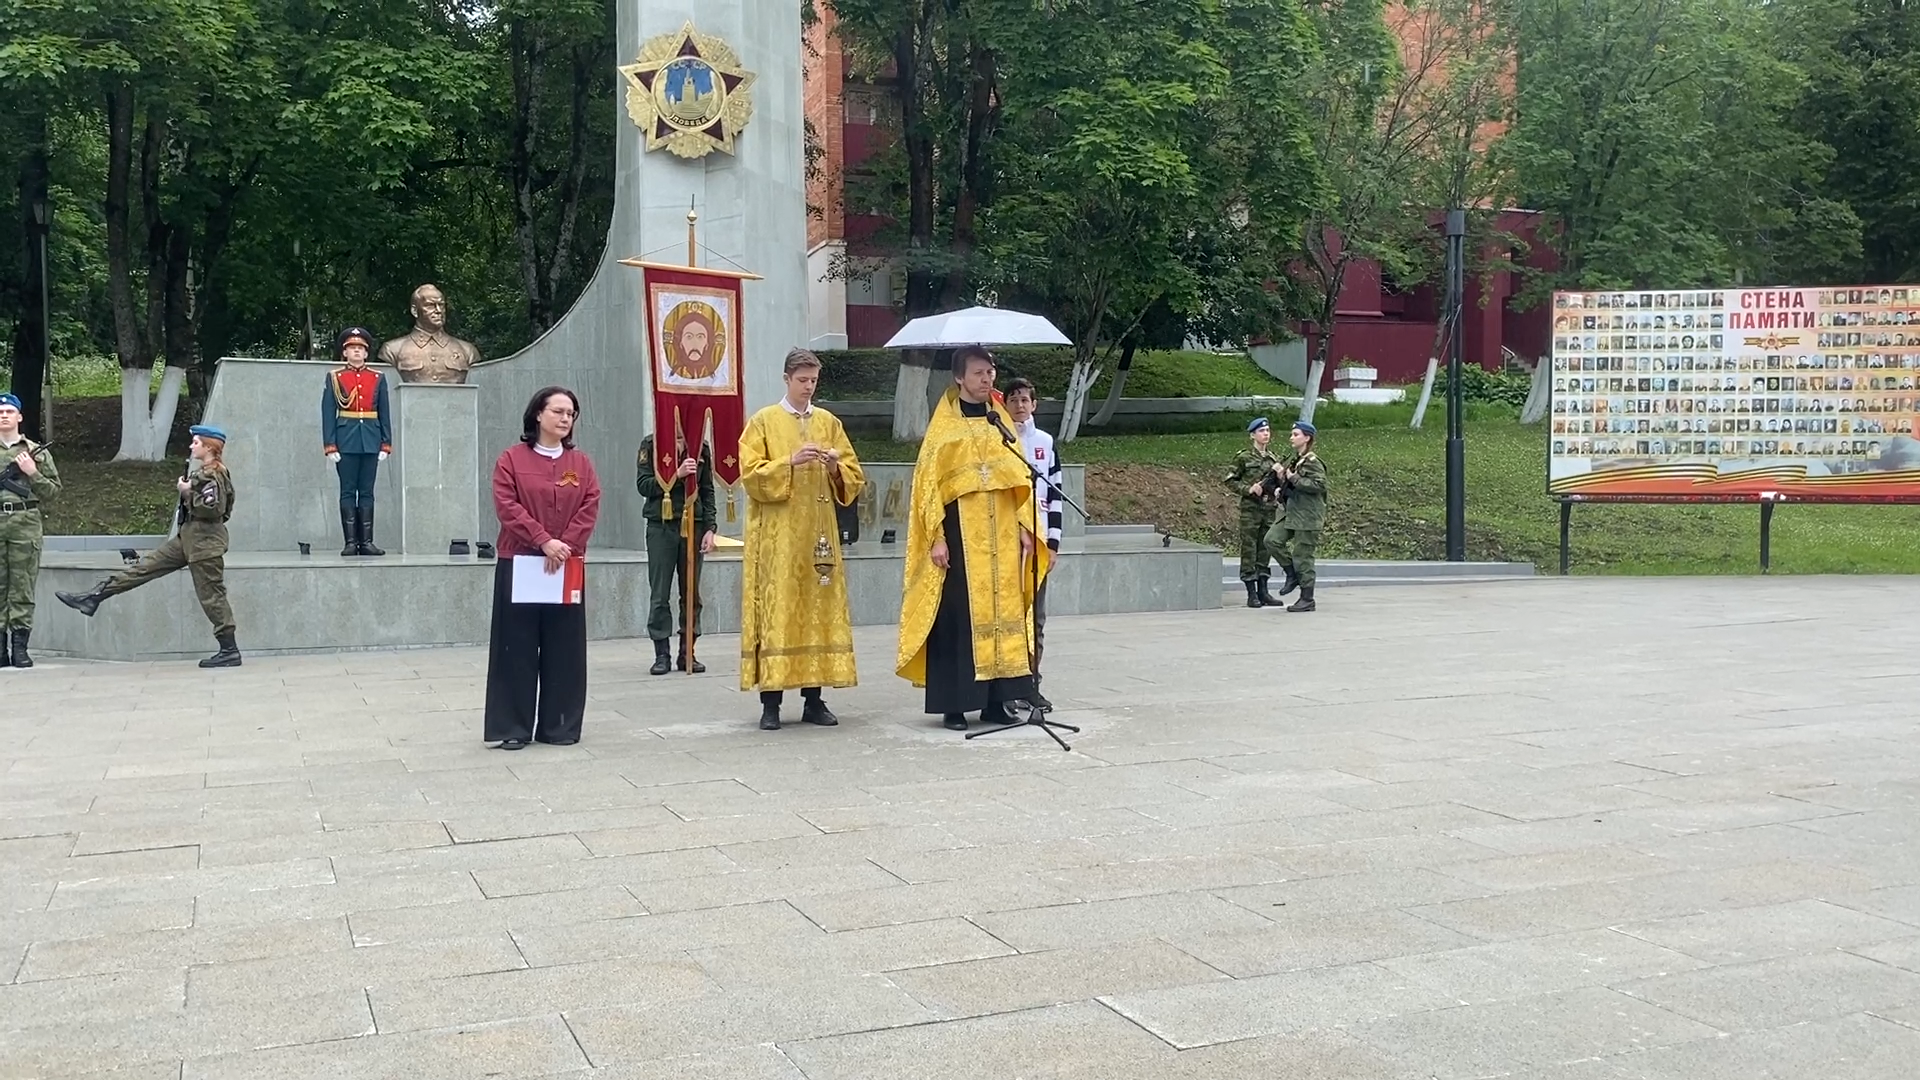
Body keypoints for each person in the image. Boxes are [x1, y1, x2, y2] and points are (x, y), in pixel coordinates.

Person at [897, 347, 1044, 731]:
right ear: (959, 377)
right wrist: (936, 538)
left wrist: (1025, 527)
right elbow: (928, 486)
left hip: (1002, 536)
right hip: (960, 535)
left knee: (1003, 613)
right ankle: (955, 705)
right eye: (979, 373)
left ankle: (997, 701)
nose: (987, 379)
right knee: (958, 617)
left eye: (990, 372)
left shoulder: (1001, 420)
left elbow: (1020, 478)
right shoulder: (944, 426)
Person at [738, 349, 866, 730]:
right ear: (786, 379)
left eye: (813, 380)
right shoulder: (763, 422)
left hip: (819, 535)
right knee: (779, 612)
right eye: (802, 380)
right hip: (779, 538)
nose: (808, 387)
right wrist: (789, 462)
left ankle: (814, 699)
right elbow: (750, 475)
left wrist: (835, 467)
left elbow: (854, 477)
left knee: (817, 611)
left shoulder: (829, 422)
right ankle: (771, 703)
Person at [57, 425, 241, 667]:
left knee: (212, 596)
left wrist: (187, 492)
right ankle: (95, 596)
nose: (191, 446)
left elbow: (213, 509)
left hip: (205, 544)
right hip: (189, 538)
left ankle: (229, 650)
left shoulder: (214, 474)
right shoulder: (204, 472)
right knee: (144, 568)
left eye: (196, 442)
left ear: (209, 447)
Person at [484, 387, 602, 749]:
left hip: (565, 563)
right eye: (558, 411)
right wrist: (543, 540)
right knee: (515, 647)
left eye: (571, 413)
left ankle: (559, 726)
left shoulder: (580, 464)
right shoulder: (511, 459)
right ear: (538, 414)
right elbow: (507, 506)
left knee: (564, 648)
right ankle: (512, 728)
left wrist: (564, 545)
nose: (565, 419)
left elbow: (590, 505)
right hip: (520, 562)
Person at [635, 427, 715, 676]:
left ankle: (687, 652)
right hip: (662, 526)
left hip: (694, 525)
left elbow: (707, 490)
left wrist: (710, 528)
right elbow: (643, 485)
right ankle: (662, 654)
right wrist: (675, 475)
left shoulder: (700, 447)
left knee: (691, 593)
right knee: (660, 594)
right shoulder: (652, 444)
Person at [1004, 377, 1063, 712]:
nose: (1019, 405)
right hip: (1007, 541)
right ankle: (1006, 685)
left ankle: (1031, 684)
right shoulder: (998, 439)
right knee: (1010, 616)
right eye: (1013, 399)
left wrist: (1053, 544)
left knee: (1036, 617)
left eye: (1025, 399)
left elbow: (1055, 495)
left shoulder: (1045, 442)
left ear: (1034, 405)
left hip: (1038, 544)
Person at [321, 326, 392, 556]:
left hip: (371, 440)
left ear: (366, 352)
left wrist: (386, 443)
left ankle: (367, 542)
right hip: (346, 440)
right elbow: (328, 412)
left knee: (367, 492)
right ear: (345, 353)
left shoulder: (377, 378)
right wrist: (330, 444)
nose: (357, 352)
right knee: (348, 491)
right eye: (352, 348)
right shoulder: (336, 377)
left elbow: (384, 412)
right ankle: (351, 542)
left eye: (360, 348)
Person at [0, 393, 59, 667]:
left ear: (19, 416)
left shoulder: (36, 451)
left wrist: (31, 471)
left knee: (22, 587)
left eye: (9, 411)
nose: (4, 416)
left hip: (25, 524)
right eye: (0, 412)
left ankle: (20, 648)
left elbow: (53, 492)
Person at [1264, 420, 1327, 613]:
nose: (1291, 438)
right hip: (1291, 511)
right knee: (1272, 540)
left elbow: (1319, 485)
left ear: (1307, 438)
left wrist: (1294, 478)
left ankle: (1307, 598)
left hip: (1307, 515)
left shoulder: (1313, 462)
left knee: (1303, 556)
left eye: (1296, 434)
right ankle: (1291, 573)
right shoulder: (1297, 459)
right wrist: (1281, 481)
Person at [1225, 416, 1281, 607]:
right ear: (1252, 435)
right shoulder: (1244, 457)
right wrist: (1248, 489)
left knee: (1265, 548)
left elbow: (1277, 484)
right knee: (1249, 549)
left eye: (1267, 431)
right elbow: (1230, 480)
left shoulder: (1273, 458)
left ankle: (1263, 591)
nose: (1266, 434)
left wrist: (1279, 476)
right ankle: (1251, 593)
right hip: (1251, 510)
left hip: (1269, 509)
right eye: (1261, 431)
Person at [378, 283, 482, 384]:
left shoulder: (467, 351)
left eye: (441, 305)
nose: (438, 310)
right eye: (430, 305)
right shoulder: (392, 350)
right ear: (415, 311)